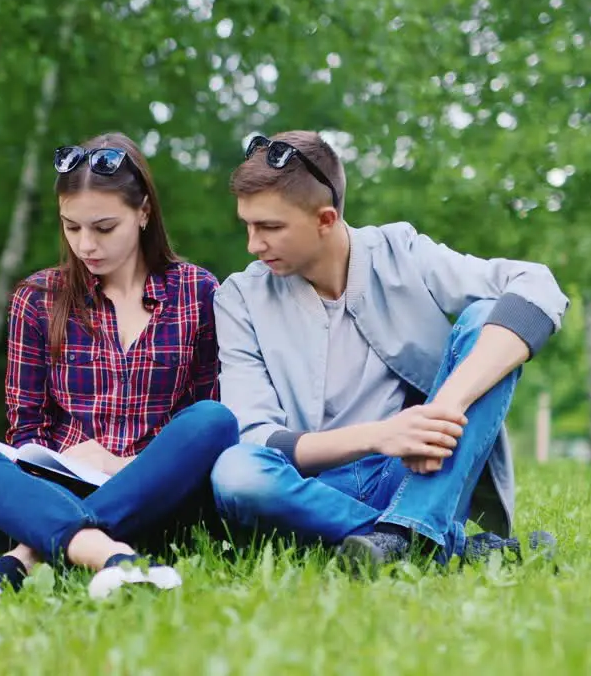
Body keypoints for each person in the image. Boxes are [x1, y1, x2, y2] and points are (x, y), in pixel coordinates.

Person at [209, 130, 568, 573]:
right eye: (248, 225)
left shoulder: (400, 252)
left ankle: (407, 528)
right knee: (235, 471)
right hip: (310, 490)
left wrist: (444, 407)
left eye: (270, 227)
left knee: (487, 318)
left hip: (417, 473)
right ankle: (427, 541)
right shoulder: (239, 297)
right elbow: (256, 435)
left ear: (326, 219)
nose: (253, 245)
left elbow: (537, 286)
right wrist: (380, 435)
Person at [0, 132, 240, 602]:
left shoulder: (197, 291)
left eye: (104, 228)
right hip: (58, 491)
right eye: (71, 227)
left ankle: (27, 558)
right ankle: (113, 557)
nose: (86, 245)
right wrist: (61, 466)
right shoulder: (38, 298)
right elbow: (27, 429)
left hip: (161, 500)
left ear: (144, 212)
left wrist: (122, 464)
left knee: (215, 420)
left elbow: (207, 421)